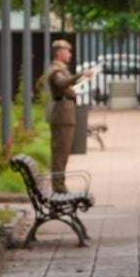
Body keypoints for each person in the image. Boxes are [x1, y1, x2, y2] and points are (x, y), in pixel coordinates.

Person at [43, 39, 80, 192]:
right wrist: (79, 75)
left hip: (66, 113)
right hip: (61, 114)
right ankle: (58, 186)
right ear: (60, 53)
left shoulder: (61, 68)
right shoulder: (55, 69)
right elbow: (61, 83)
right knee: (60, 152)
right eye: (67, 51)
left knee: (64, 152)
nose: (70, 54)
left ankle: (60, 184)